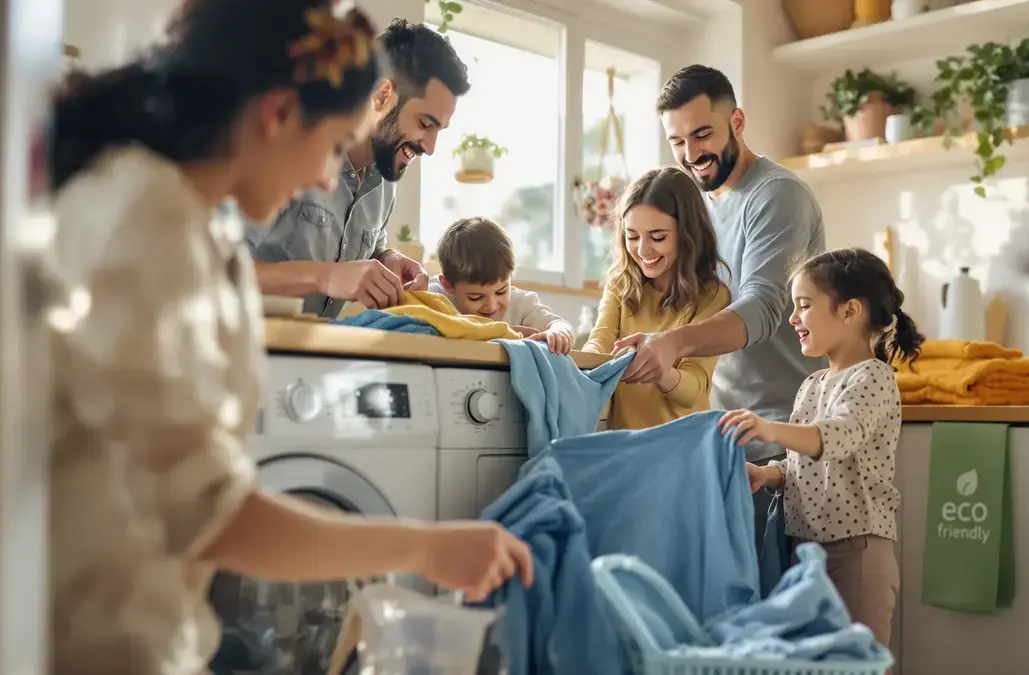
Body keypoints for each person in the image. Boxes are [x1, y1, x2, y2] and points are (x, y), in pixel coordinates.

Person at [47, 2, 531, 674]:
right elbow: (210, 516)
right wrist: (423, 547)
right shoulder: (145, 222)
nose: (330, 178)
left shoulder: (177, 213)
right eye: (333, 146)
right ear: (275, 116)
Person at [719, 248, 924, 648]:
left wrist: (769, 428)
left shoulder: (874, 377)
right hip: (807, 550)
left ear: (849, 312)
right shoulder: (812, 384)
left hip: (856, 554)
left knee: (856, 662)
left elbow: (837, 436)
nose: (793, 319)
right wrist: (770, 473)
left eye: (804, 306)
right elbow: (804, 462)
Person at [617, 65, 826, 435]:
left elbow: (761, 307)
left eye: (702, 135)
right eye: (677, 141)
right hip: (717, 426)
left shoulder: (777, 195)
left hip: (782, 428)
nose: (691, 153)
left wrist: (669, 344)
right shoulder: (690, 203)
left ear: (737, 122)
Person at [246, 18, 471, 319]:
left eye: (438, 130)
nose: (430, 147)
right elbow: (214, 267)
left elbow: (370, 247)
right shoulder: (288, 151)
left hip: (315, 358)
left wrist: (387, 258)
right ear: (381, 96)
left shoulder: (385, 181)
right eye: (425, 124)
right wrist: (326, 276)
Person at [582, 168, 731, 429]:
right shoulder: (620, 284)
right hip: (625, 444)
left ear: (688, 235)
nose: (642, 250)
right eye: (632, 236)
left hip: (684, 444)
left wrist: (662, 372)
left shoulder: (712, 296)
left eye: (658, 237)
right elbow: (599, 343)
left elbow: (695, 388)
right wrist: (574, 362)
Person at [429, 216, 576, 353]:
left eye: (501, 291)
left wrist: (559, 332)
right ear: (448, 285)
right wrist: (505, 333)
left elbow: (559, 324)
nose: (491, 305)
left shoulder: (521, 303)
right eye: (475, 297)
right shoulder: (438, 295)